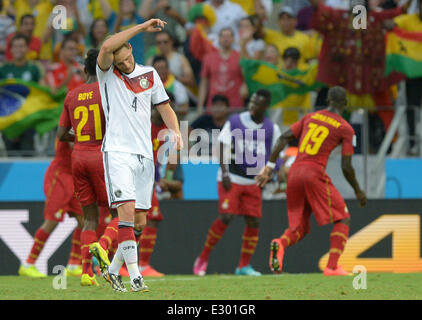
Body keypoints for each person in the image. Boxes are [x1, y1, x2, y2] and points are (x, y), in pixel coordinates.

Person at [95, 18, 182, 293]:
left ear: (130, 49)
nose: (118, 61)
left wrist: (176, 132)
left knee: (141, 222)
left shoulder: (150, 75)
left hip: (145, 155)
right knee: (126, 213)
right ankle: (135, 277)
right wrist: (144, 26)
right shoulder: (107, 73)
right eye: (115, 58)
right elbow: (107, 45)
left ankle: (110, 271)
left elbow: (165, 107)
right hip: (118, 152)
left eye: (122, 54)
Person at [256, 86, 367, 276]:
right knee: (343, 217)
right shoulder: (345, 128)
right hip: (314, 172)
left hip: (295, 172)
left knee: (300, 227)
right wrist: (357, 189)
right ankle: (332, 267)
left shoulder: (311, 117)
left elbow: (283, 137)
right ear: (346, 104)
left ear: (328, 100)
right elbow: (346, 166)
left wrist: (269, 167)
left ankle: (280, 244)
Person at [193, 89, 282, 276]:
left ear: (265, 107)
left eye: (257, 103)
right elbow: (222, 144)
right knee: (226, 217)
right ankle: (203, 257)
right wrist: (224, 172)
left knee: (254, 221)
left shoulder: (271, 128)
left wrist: (270, 173)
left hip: (253, 181)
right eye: (252, 101)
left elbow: (277, 154)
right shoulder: (235, 121)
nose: (252, 105)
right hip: (231, 177)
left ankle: (243, 266)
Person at [57, 48, 117, 286]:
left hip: (78, 158)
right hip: (102, 157)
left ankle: (86, 273)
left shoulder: (72, 94)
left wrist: (81, 138)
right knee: (120, 213)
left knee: (89, 219)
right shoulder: (108, 92)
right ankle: (102, 246)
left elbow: (61, 134)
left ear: (84, 69)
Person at [18, 139, 84, 278]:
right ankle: (28, 264)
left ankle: (73, 265)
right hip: (59, 177)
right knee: (52, 221)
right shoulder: (70, 121)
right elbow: (75, 145)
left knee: (83, 221)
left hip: (75, 178)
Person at [198, 27, 246, 114]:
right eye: (223, 36)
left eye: (228, 36)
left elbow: (246, 78)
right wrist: (200, 106)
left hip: (235, 106)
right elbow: (204, 83)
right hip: (214, 105)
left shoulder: (240, 57)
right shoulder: (208, 58)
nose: (226, 39)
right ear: (219, 39)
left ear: (233, 39)